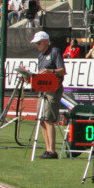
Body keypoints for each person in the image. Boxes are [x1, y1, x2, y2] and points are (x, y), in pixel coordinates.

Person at [30, 31, 65, 159]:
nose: (37, 45)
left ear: (46, 41)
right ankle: (47, 148)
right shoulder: (40, 56)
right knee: (41, 119)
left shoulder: (55, 52)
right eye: (36, 43)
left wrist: (50, 71)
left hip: (53, 88)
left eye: (39, 43)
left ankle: (52, 150)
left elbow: (62, 71)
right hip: (42, 89)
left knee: (49, 118)